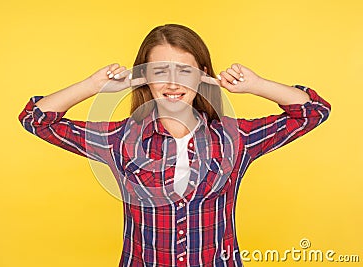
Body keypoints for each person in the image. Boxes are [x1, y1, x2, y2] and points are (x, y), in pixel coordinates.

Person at [18, 24, 331, 267]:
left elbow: (313, 112)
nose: (172, 84)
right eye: (159, 72)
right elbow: (36, 119)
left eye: (184, 71)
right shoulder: (120, 141)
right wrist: (93, 86)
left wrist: (256, 85)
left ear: (202, 76)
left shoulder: (235, 139)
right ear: (143, 78)